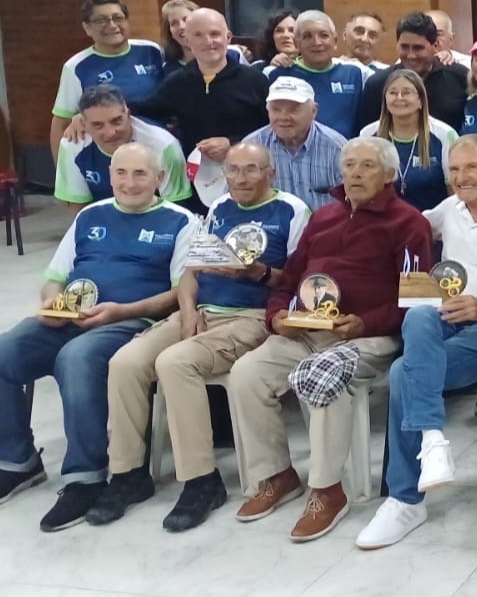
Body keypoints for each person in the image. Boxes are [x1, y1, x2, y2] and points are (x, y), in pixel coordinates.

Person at [0, 143, 197, 531]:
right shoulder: (91, 215)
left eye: (141, 174)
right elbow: (55, 275)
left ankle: (85, 477)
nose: (129, 182)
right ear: (110, 177)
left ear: (160, 179)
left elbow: (180, 293)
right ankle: (16, 462)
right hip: (68, 317)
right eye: (121, 173)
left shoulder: (181, 221)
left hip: (129, 322)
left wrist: (121, 311)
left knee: (76, 360)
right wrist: (53, 303)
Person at [87, 144, 311, 532]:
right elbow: (191, 269)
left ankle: (201, 481)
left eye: (251, 170)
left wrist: (255, 273)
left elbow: (299, 281)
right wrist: (188, 311)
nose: (241, 178)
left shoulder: (291, 210)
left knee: (175, 363)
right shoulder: (220, 207)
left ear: (270, 172)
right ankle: (127, 474)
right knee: (125, 362)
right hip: (202, 311)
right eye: (233, 170)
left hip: (252, 316)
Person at [228, 137, 433, 542]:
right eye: (349, 165)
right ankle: (276, 475)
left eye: (367, 166)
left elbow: (419, 304)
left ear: (390, 175)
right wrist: (277, 316)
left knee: (325, 375)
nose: (355, 173)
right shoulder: (322, 218)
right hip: (306, 330)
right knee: (246, 372)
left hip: (369, 336)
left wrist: (364, 323)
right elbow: (289, 278)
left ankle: (327, 490)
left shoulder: (410, 223)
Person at [354, 135, 477, 550]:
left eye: (471, 168)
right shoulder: (449, 210)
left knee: (401, 373)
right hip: (447, 320)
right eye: (454, 170)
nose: (461, 178)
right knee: (422, 313)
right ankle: (432, 441)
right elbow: (406, 226)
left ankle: (405, 499)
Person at [122, 8, 271, 160]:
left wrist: (233, 143)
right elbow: (145, 109)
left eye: (214, 34)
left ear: (228, 37)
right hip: (196, 177)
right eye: (198, 35)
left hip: (247, 170)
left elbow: (270, 129)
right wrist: (112, 106)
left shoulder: (255, 81)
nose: (208, 42)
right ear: (187, 40)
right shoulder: (177, 82)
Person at [48, 0, 165, 161]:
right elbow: (61, 122)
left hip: (157, 149)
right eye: (101, 21)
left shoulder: (152, 51)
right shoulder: (76, 66)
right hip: (108, 156)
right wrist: (61, 172)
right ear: (87, 27)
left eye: (118, 18)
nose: (112, 25)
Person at [55, 85, 191, 208]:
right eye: (98, 125)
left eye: (117, 121)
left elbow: (175, 209)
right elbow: (80, 210)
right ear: (84, 124)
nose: (110, 132)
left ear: (128, 115)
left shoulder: (164, 145)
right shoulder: (72, 146)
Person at [360, 68, 458, 213]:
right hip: (381, 225)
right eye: (392, 93)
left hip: (431, 226)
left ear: (420, 100)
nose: (399, 98)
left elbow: (455, 193)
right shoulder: (368, 135)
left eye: (406, 92)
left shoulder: (444, 135)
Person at [263, 10, 373, 139]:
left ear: (335, 41)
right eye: (307, 36)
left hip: (346, 154)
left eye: (324, 35)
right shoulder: (279, 75)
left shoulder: (354, 74)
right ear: (297, 44)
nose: (317, 42)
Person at [243, 76, 348, 210]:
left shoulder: (337, 148)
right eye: (276, 109)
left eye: (293, 110)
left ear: (314, 111)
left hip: (323, 229)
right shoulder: (251, 146)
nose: (283, 117)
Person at [358, 12, 470, 131]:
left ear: (435, 46)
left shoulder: (460, 77)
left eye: (418, 48)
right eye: (405, 47)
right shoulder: (378, 83)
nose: (411, 55)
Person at [158, 0, 245, 76]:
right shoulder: (166, 65)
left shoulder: (234, 55)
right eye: (174, 23)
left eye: (186, 19)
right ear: (170, 33)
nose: (181, 26)